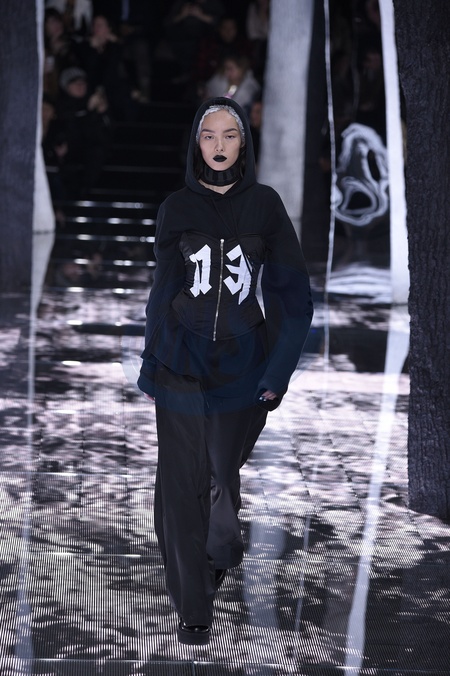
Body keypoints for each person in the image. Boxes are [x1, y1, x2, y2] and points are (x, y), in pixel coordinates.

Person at [137, 97, 313, 644]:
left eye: (229, 135)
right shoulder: (176, 207)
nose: (218, 145)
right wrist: (151, 358)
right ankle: (193, 609)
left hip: (242, 365)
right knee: (179, 484)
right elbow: (163, 290)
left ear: (243, 143)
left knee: (220, 478)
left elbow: (293, 296)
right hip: (179, 360)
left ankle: (221, 551)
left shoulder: (265, 205)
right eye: (209, 135)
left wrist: (278, 371)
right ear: (197, 142)